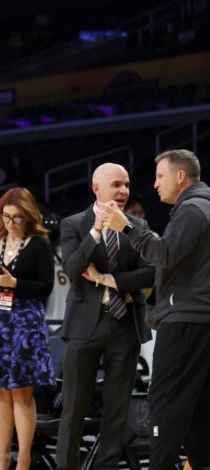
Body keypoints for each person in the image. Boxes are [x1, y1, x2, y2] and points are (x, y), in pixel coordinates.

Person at [99, 150, 210, 469]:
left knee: (163, 401)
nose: (155, 184)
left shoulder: (192, 209)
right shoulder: (203, 206)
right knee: (200, 404)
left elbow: (163, 254)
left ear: (180, 176)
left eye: (161, 176)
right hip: (200, 318)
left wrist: (127, 228)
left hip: (186, 319)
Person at [55, 163, 155, 470]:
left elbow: (153, 271)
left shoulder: (136, 225)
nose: (124, 191)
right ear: (96, 188)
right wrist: (96, 231)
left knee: (116, 410)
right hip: (84, 325)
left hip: (124, 324)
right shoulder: (74, 224)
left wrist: (108, 280)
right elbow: (73, 268)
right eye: (116, 185)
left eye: (126, 184)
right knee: (73, 408)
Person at [0, 187, 55, 470]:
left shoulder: (39, 245)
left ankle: (23, 459)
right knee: (0, 392)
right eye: (6, 216)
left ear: (28, 217)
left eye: (17, 217)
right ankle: (3, 460)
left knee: (22, 393)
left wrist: (14, 283)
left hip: (25, 324)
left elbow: (46, 287)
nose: (10, 223)